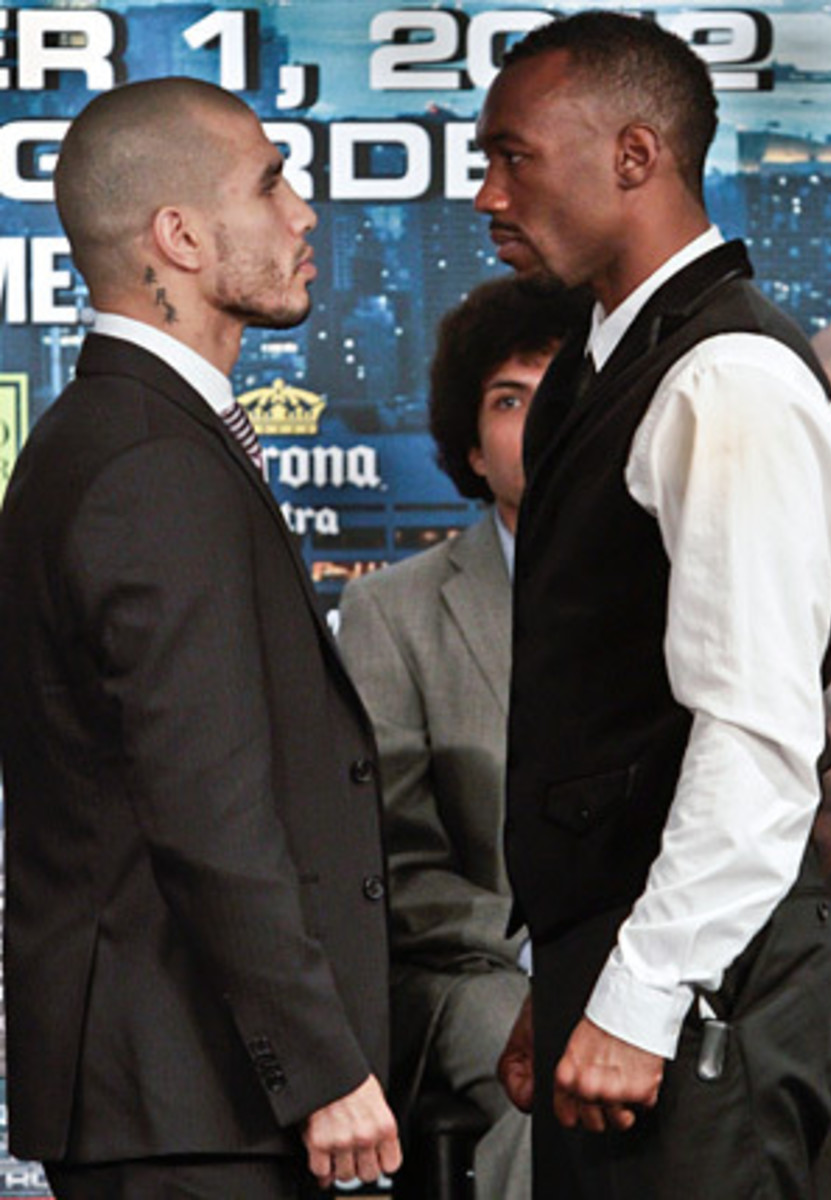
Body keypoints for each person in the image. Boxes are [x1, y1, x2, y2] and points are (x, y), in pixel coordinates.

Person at [0, 78, 401, 1200]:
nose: (303, 212)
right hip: (190, 1101)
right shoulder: (150, 464)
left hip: (179, 1093)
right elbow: (204, 804)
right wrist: (319, 1063)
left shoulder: (126, 437)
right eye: (271, 182)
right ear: (176, 236)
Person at [473, 12, 831, 1198]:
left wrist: (637, 994)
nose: (485, 195)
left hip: (706, 997)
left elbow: (750, 733)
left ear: (634, 156)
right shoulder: (610, 360)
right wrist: (571, 976)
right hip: (638, 972)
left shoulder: (724, 377)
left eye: (511, 156)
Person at [338, 276, 585, 1199]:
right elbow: (390, 866)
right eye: (508, 400)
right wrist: (543, 950)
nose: (538, 421)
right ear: (471, 448)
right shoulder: (392, 612)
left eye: (558, 391)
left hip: (661, 952)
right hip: (477, 971)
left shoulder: (674, 597)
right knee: (552, 1070)